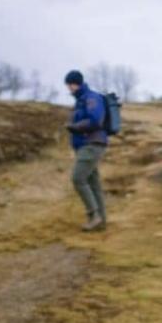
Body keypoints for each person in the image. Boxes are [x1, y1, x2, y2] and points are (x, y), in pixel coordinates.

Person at [64, 70, 107, 231]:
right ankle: (101, 222)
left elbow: (95, 119)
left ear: (75, 83)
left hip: (91, 144)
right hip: (87, 144)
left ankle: (93, 216)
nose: (69, 89)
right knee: (93, 183)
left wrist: (74, 127)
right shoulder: (81, 100)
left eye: (69, 85)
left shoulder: (91, 98)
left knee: (78, 179)